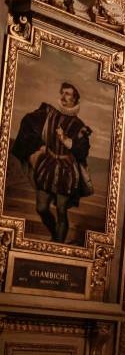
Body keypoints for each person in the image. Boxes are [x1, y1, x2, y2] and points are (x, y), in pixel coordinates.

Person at [10, 81, 93, 243]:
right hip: (47, 166)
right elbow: (29, 122)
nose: (63, 96)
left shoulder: (80, 126)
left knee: (61, 210)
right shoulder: (50, 114)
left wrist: (65, 139)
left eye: (68, 94)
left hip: (66, 171)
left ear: (75, 99)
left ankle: (57, 244)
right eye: (62, 92)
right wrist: (39, 146)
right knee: (41, 208)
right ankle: (55, 234)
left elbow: (82, 151)